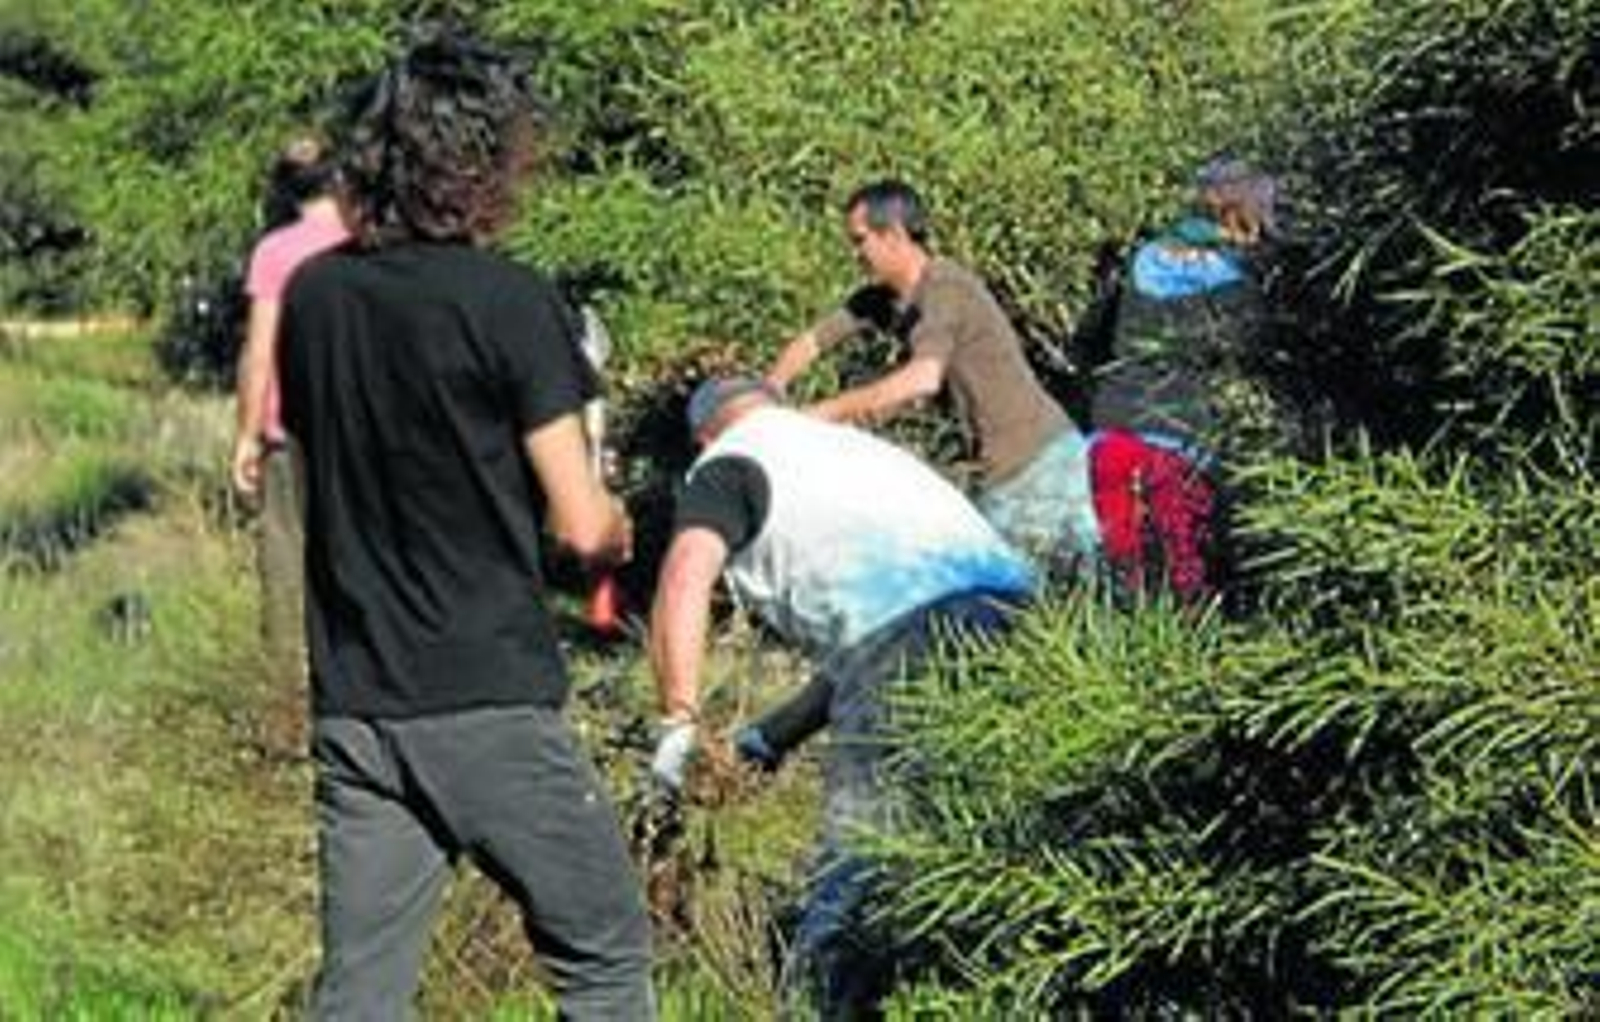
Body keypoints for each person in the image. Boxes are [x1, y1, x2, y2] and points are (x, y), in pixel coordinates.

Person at [276, 30, 653, 1020]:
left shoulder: (313, 297)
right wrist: (616, 526)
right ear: (485, 159)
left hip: (355, 700)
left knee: (359, 991)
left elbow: (335, 476)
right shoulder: (511, 302)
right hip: (484, 693)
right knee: (606, 952)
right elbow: (580, 527)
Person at [647, 376, 1035, 1017]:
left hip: (914, 637)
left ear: (703, 436)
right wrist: (768, 739)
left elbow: (686, 575)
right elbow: (878, 634)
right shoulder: (846, 451)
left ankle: (816, 1007)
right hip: (1029, 626)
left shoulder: (727, 463)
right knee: (1002, 854)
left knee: (856, 872)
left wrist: (679, 721)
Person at [766, 179, 1101, 581]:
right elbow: (814, 341)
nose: (856, 254)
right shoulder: (884, 299)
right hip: (1000, 477)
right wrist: (768, 393)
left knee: (1078, 596)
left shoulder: (944, 287)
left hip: (1042, 466)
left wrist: (821, 413)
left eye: (860, 241)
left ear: (893, 235)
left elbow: (922, 378)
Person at [1081, 157, 1280, 597]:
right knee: (1188, 594)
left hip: (1110, 437)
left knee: (1127, 586)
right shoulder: (1238, 278)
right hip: (1179, 449)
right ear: (1243, 213)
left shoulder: (1145, 257)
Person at [231, 135, 351, 690]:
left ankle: (284, 691)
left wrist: (247, 435)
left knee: (285, 555)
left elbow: (260, 353)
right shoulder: (369, 239)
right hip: (360, 425)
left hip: (289, 427)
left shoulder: (276, 251)